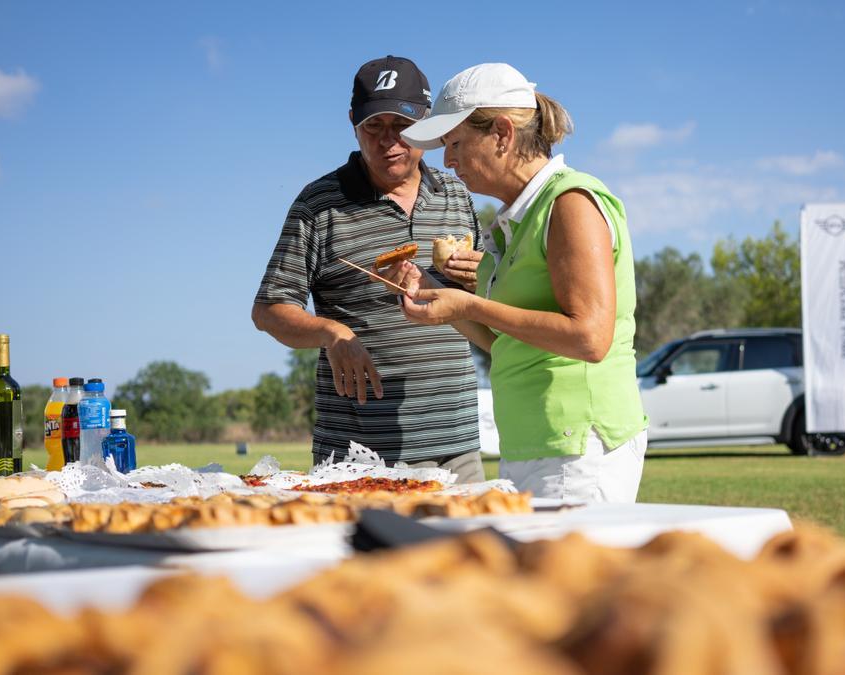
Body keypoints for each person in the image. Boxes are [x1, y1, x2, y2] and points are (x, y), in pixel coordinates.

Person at [392, 63, 647, 502]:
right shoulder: (518, 219)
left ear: (503, 134)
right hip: (538, 443)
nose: (447, 162)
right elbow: (506, 343)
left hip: (578, 448)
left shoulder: (570, 203)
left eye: (454, 144)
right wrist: (441, 302)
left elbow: (590, 337)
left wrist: (468, 305)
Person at [251, 56, 485, 480]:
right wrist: (332, 333)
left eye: (402, 125)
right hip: (359, 458)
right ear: (352, 123)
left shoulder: (457, 192)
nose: (387, 141)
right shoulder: (318, 204)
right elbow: (268, 309)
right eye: (372, 127)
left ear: (427, 121)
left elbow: (491, 298)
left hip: (459, 445)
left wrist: (479, 279)